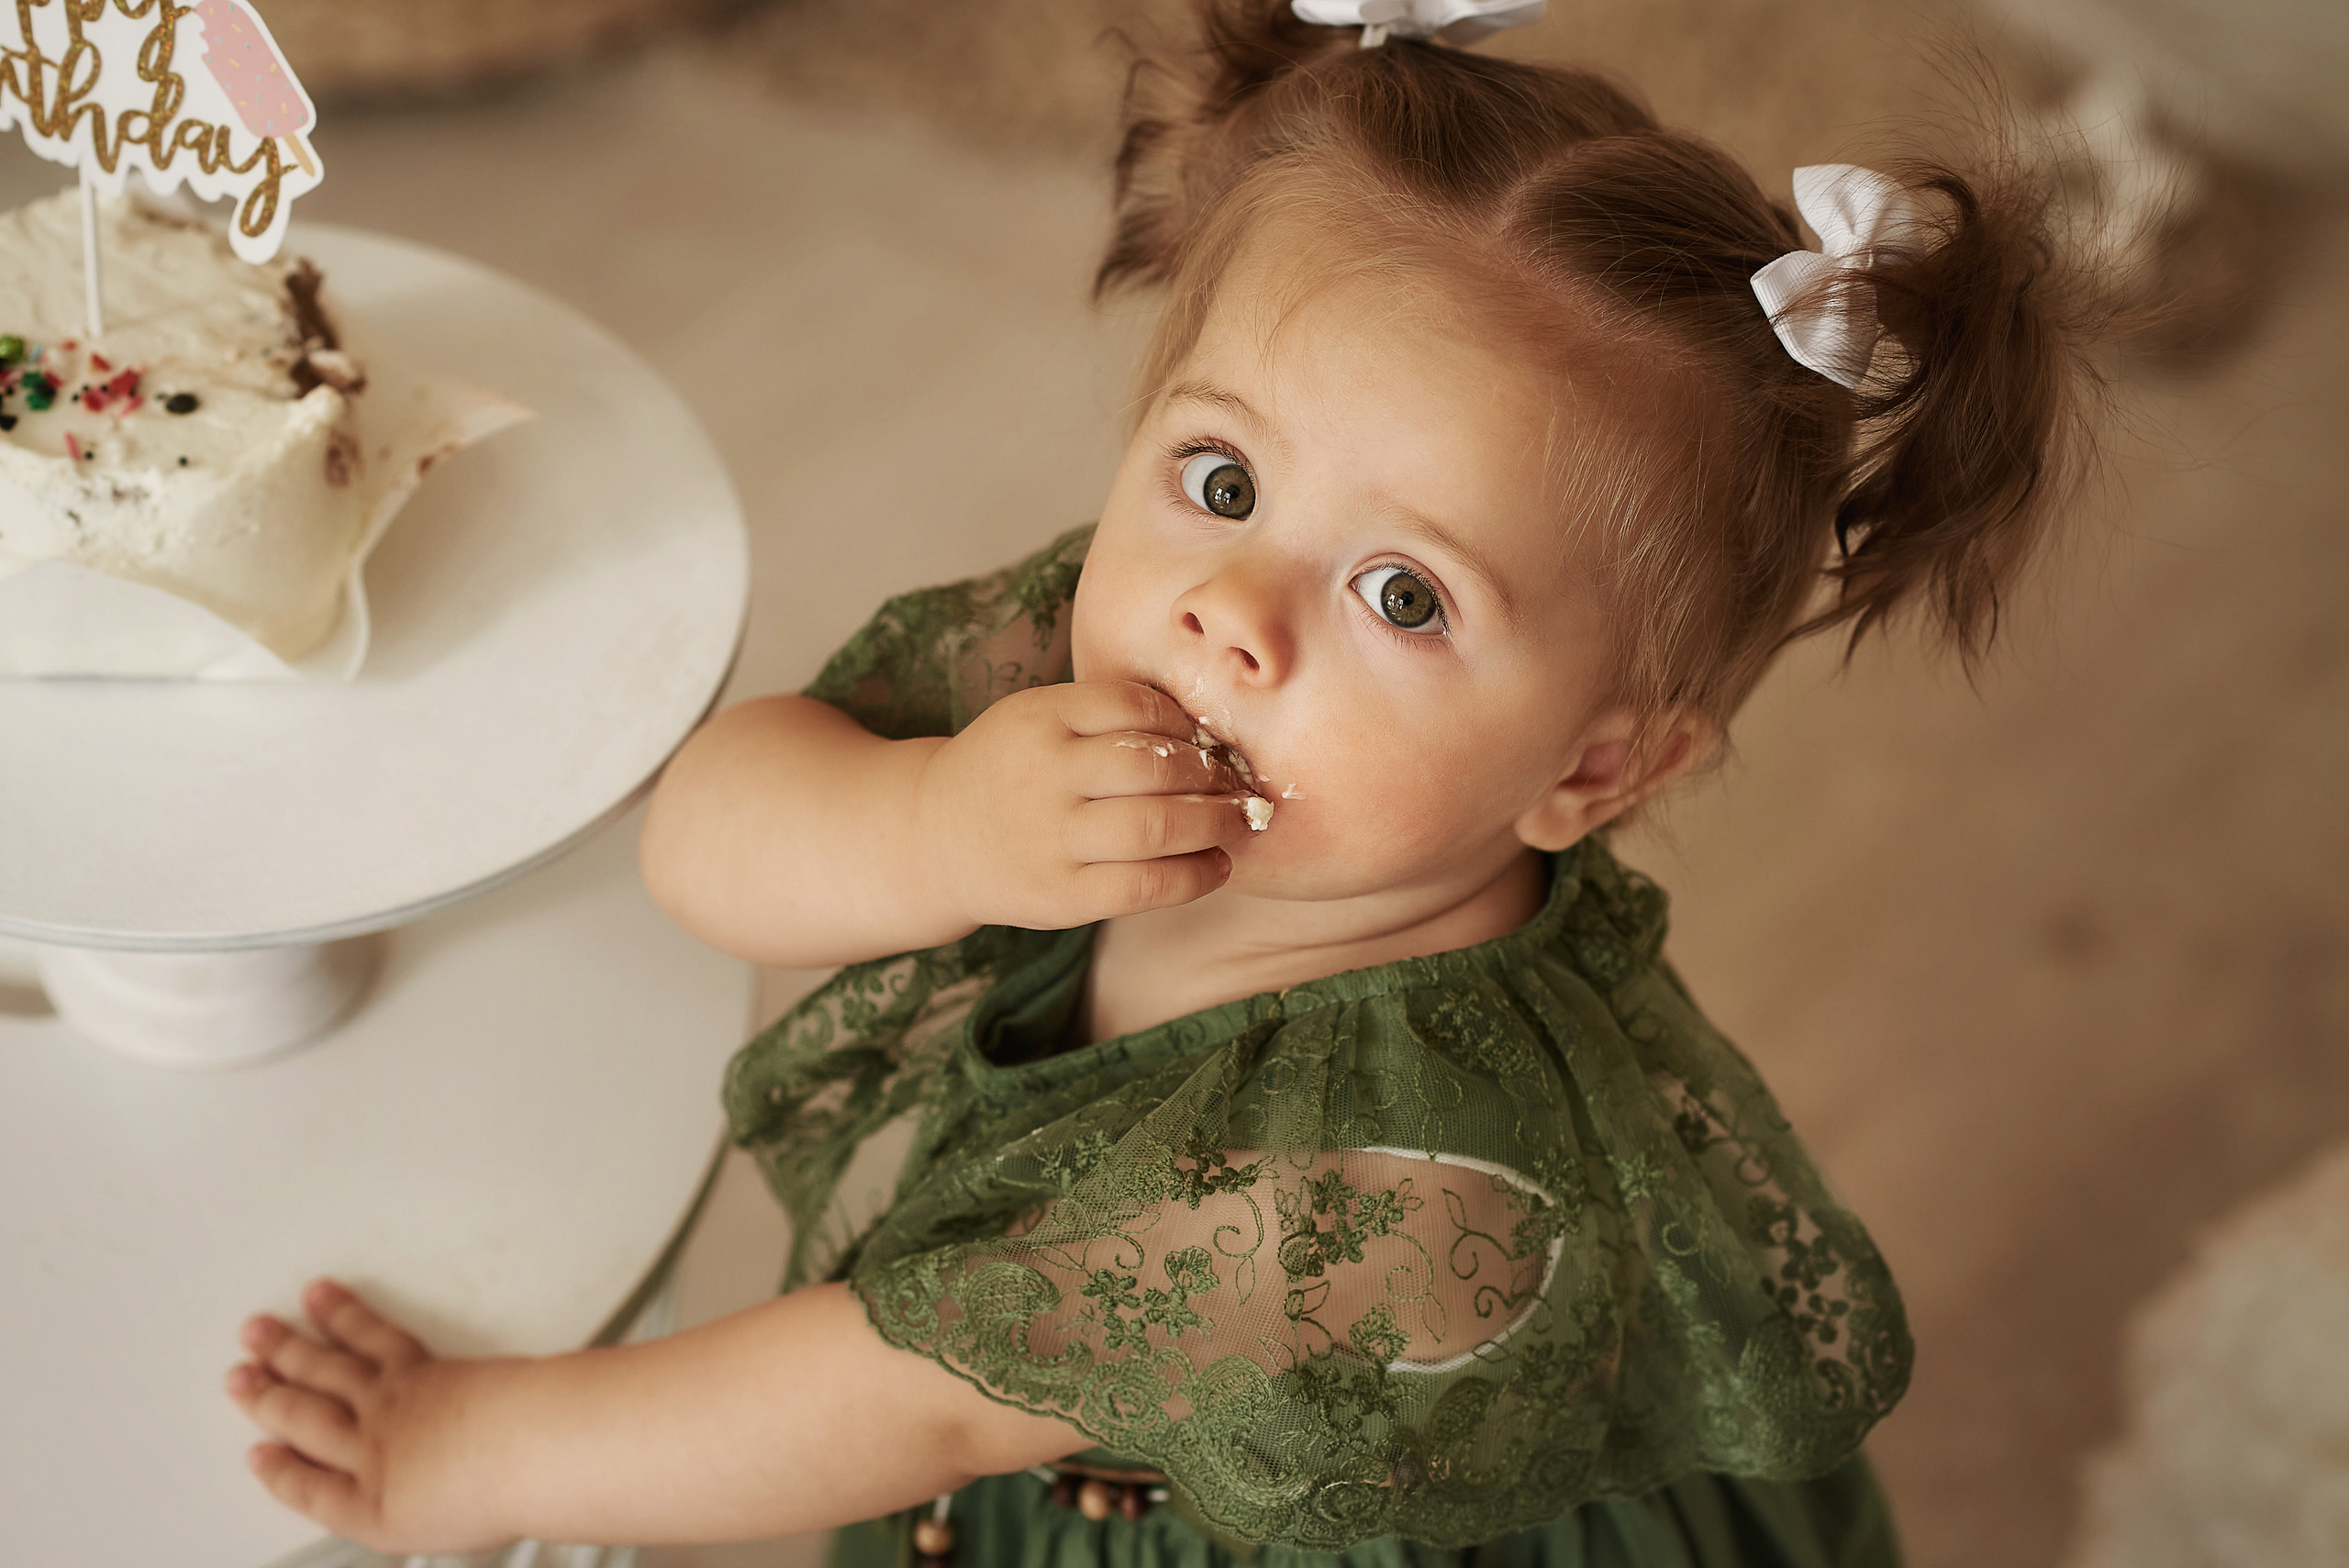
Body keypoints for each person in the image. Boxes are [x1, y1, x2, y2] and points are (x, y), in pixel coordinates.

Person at [224, 2, 2097, 1562]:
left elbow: (901, 1397)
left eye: (1400, 595)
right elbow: (707, 828)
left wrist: (469, 1458)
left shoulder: (1401, 1187)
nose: (1230, 617)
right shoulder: (1124, 649)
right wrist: (929, 820)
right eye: (1219, 481)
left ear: (1594, 766)